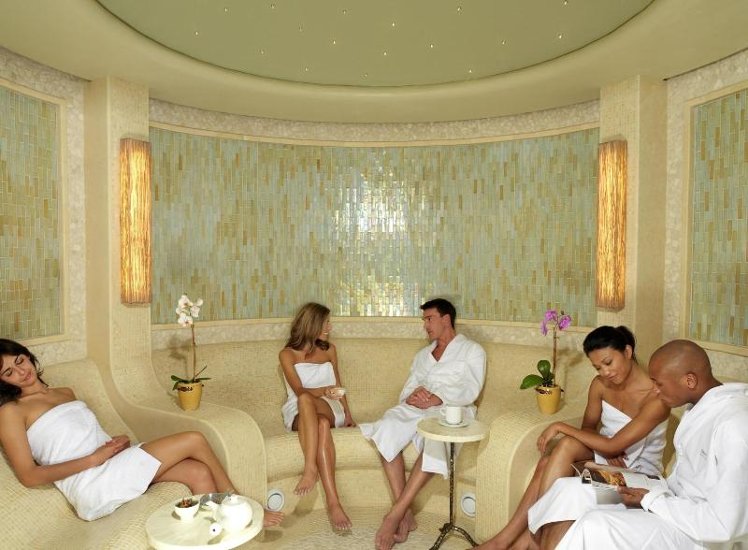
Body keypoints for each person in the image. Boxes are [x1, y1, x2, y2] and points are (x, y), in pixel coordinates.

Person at [0, 338, 284, 526]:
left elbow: (79, 438)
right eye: (8, 372)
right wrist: (94, 459)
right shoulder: (11, 411)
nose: (21, 372)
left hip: (111, 464)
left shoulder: (65, 392)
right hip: (90, 484)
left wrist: (115, 444)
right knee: (194, 439)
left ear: (28, 356)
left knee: (198, 473)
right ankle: (243, 508)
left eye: (19, 361)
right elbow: (29, 475)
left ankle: (211, 539)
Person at [477, 325, 671, 550]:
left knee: (557, 453)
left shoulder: (657, 398)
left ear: (627, 352)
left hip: (639, 476)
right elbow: (588, 429)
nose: (605, 372)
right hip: (608, 461)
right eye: (598, 367)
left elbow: (613, 445)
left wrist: (560, 426)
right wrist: (606, 449)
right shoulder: (600, 385)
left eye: (608, 362)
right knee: (560, 450)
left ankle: (526, 540)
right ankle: (508, 541)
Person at [553, 339, 748, 549]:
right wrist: (652, 494)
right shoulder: (700, 406)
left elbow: (725, 524)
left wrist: (652, 500)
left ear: (690, 380)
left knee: (593, 526)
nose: (654, 391)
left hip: (696, 531)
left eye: (659, 383)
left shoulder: (734, 426)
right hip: (668, 496)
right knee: (570, 490)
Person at [360, 298, 486, 550]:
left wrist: (438, 398)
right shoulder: (422, 355)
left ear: (446, 319)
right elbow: (408, 387)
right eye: (424, 320)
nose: (425, 325)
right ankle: (405, 512)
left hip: (451, 409)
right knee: (387, 426)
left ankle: (394, 515)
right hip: (418, 407)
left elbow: (471, 388)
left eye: (429, 319)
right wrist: (412, 396)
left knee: (437, 438)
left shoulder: (472, 351)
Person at [279, 302, 355, 531]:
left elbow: (338, 383)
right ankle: (333, 501)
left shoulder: (330, 349)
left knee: (318, 413)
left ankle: (310, 469)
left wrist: (348, 414)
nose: (329, 327)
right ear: (311, 324)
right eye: (325, 323)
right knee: (310, 408)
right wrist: (323, 390)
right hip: (298, 408)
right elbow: (299, 390)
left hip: (329, 405)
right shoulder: (287, 354)